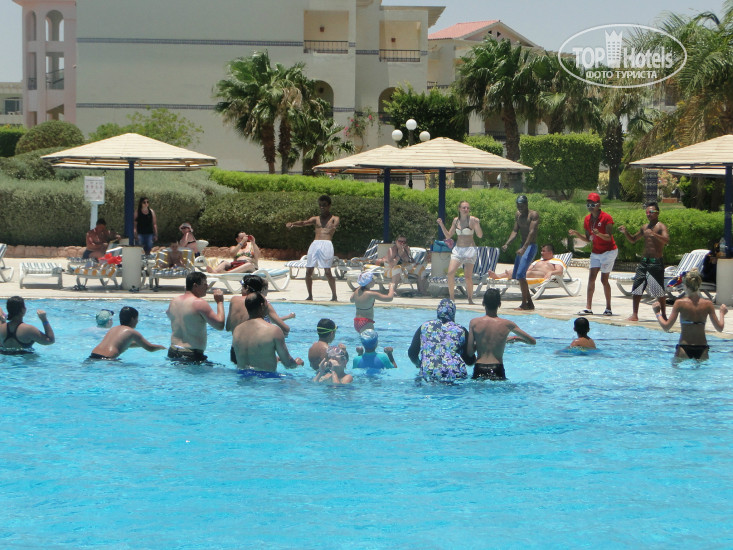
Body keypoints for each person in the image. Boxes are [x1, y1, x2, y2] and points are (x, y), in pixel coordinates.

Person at [652, 269, 727, 361]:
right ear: (699, 285)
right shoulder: (708, 304)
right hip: (702, 348)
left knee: (676, 369)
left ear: (685, 286)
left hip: (684, 347)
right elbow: (719, 328)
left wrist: (657, 313)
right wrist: (722, 313)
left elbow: (666, 327)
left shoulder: (679, 303)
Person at [466, 289, 536, 380]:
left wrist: (480, 343)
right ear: (499, 304)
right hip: (497, 368)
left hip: (479, 368)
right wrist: (516, 338)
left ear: (483, 303)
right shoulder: (507, 324)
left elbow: (470, 353)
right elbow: (532, 341)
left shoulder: (474, 323)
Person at [618, 202, 670, 321]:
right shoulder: (644, 227)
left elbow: (666, 240)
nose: (648, 214)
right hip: (644, 261)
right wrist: (625, 232)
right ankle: (635, 314)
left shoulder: (661, 227)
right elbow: (633, 239)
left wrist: (654, 234)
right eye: (647, 212)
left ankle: (664, 315)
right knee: (637, 286)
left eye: (651, 212)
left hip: (656, 262)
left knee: (658, 289)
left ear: (657, 213)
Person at [568, 192, 617, 316]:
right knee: (591, 278)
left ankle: (608, 308)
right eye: (588, 204)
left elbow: (609, 237)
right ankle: (588, 308)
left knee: (604, 280)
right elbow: (588, 239)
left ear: (599, 204)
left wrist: (599, 234)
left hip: (608, 251)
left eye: (593, 204)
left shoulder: (606, 218)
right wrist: (577, 234)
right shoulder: (587, 219)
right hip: (596, 252)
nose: (590, 207)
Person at [226, 274, 293, 363]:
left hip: (236, 350)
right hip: (256, 350)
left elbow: (228, 328)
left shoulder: (234, 300)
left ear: (247, 287)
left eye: (242, 285)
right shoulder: (263, 303)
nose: (241, 289)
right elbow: (285, 328)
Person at [232, 292, 303, 374]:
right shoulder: (274, 330)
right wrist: (297, 363)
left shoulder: (237, 330)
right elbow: (288, 364)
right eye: (267, 303)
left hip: (241, 376)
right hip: (266, 378)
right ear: (262, 306)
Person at [286, 195, 340, 301]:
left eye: (324, 205)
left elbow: (335, 225)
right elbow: (304, 223)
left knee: (327, 272)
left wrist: (333, 227)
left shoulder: (334, 218)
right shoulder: (316, 219)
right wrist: (292, 224)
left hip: (327, 244)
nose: (322, 207)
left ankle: (334, 296)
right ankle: (310, 296)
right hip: (315, 244)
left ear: (329, 206)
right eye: (320, 205)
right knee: (308, 271)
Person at [408, 298, 476, 383]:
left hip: (429, 372)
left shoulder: (425, 326)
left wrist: (419, 364)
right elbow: (469, 361)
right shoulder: (460, 330)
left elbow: (412, 353)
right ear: (453, 313)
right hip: (454, 374)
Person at [166, 271, 225, 361]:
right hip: (191, 354)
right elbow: (220, 325)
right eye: (204, 284)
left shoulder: (174, 301)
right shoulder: (199, 303)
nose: (207, 287)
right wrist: (219, 302)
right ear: (195, 286)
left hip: (173, 351)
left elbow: (169, 314)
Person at [437, 200, 484, 304]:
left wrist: (477, 225)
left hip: (469, 250)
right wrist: (441, 224)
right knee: (450, 273)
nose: (466, 209)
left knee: (467, 276)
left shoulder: (472, 220)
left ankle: (470, 298)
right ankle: (452, 298)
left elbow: (480, 235)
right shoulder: (456, 221)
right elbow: (448, 235)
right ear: (459, 209)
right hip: (458, 250)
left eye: (468, 208)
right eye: (464, 207)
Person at [500, 195, 540, 310]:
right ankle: (530, 303)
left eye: (522, 205)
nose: (520, 207)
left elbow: (532, 232)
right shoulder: (518, 214)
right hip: (522, 246)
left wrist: (524, 248)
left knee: (521, 274)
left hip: (530, 246)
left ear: (526, 204)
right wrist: (507, 243)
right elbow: (515, 231)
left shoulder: (533, 215)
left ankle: (524, 304)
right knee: (518, 275)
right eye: (518, 205)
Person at [89, 306, 166, 359]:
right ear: (132, 319)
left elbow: (123, 344)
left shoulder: (113, 329)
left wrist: (141, 344)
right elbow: (151, 348)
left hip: (93, 355)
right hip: (108, 358)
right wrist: (162, 347)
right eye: (137, 319)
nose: (137, 321)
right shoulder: (131, 332)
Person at [488, 243, 564, 282]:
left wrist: (551, 272)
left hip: (543, 275)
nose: (541, 253)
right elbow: (527, 268)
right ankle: (498, 276)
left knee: (529, 273)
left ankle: (512, 276)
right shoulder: (538, 261)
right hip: (532, 273)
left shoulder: (556, 261)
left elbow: (560, 271)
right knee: (517, 270)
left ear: (550, 252)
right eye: (541, 251)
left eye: (544, 251)